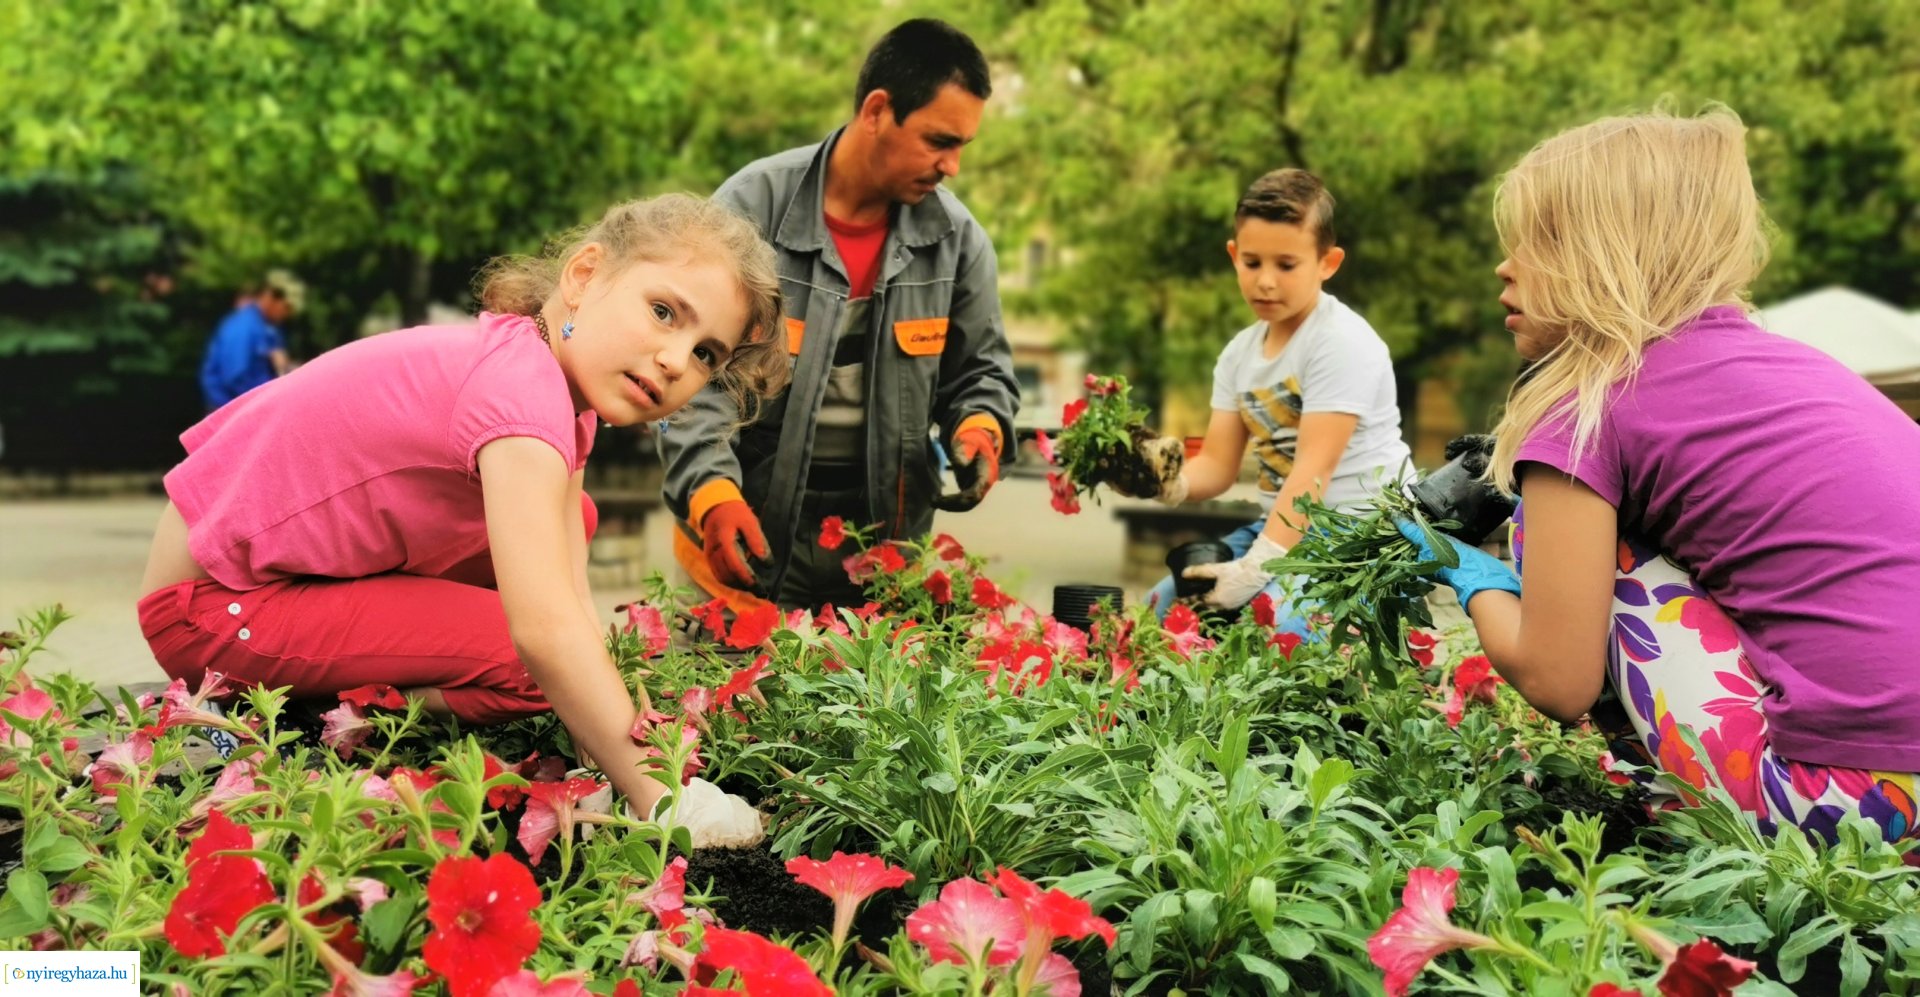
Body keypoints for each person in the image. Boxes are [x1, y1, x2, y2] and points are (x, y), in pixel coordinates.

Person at [137, 195, 788, 842]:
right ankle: (322, 716)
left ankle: (343, 697)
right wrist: (665, 796)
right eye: (664, 311)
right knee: (531, 660)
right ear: (584, 275)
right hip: (211, 610)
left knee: (572, 527)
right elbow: (546, 631)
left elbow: (571, 594)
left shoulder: (552, 388)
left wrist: (612, 745)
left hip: (257, 585)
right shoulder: (523, 397)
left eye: (707, 353)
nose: (677, 360)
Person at [1403, 107, 1920, 845]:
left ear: (1607, 255)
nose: (1504, 265)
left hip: (1850, 805)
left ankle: (1681, 817)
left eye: (1537, 241)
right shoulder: (1796, 367)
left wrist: (1471, 574)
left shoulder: (1587, 408)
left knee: (1555, 529)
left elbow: (1558, 680)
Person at [659, 17, 1020, 614]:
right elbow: (691, 372)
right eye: (939, 141)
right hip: (743, 534)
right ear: (877, 110)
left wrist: (979, 427)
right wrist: (711, 493)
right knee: (723, 703)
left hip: (882, 553)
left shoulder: (959, 241)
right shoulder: (751, 211)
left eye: (962, 146)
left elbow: (981, 372)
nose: (953, 165)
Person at [1127, 169, 1412, 623]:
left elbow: (1312, 473)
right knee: (1158, 614)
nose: (1265, 281)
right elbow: (1218, 466)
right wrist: (1165, 481)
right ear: (1233, 256)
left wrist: (1255, 569)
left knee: (1278, 627)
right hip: (1286, 530)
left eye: (1286, 265)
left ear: (1328, 263)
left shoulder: (1340, 341)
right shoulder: (1239, 355)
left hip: (1367, 536)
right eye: (1252, 262)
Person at [199, 271, 302, 411]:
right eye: (287, 307)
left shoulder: (270, 328)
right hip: (231, 414)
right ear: (271, 296)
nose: (288, 314)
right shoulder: (243, 327)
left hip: (251, 409)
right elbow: (236, 378)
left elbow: (275, 368)